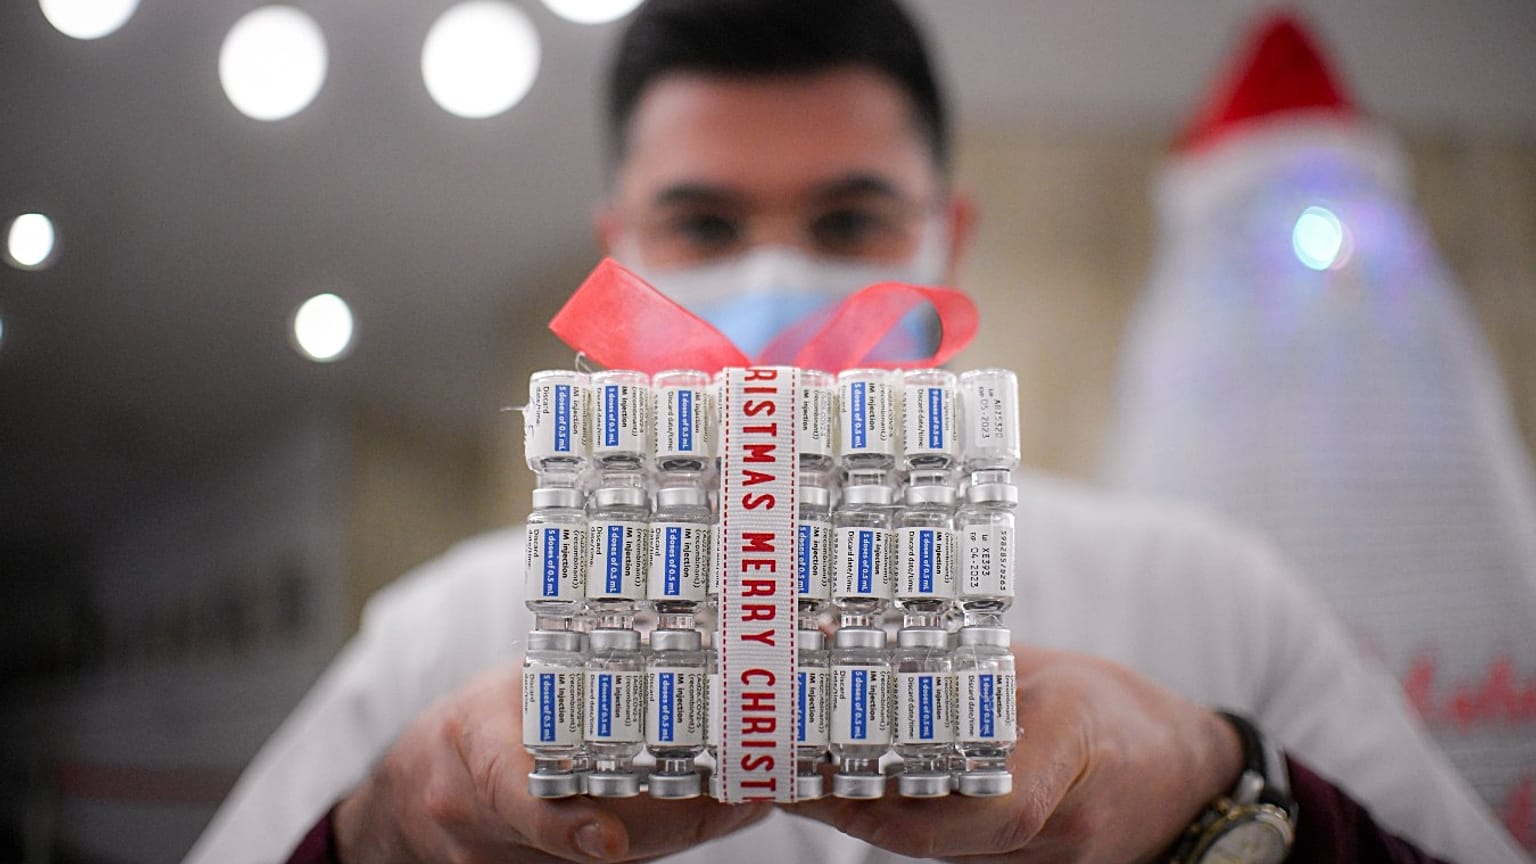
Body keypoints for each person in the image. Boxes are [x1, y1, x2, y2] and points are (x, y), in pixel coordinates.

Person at [183, 1, 1530, 862]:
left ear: (950, 235)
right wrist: (367, 841)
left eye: (848, 222)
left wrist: (1226, 791)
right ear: (622, 251)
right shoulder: (437, 641)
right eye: (704, 224)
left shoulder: (1208, 599)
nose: (776, 278)